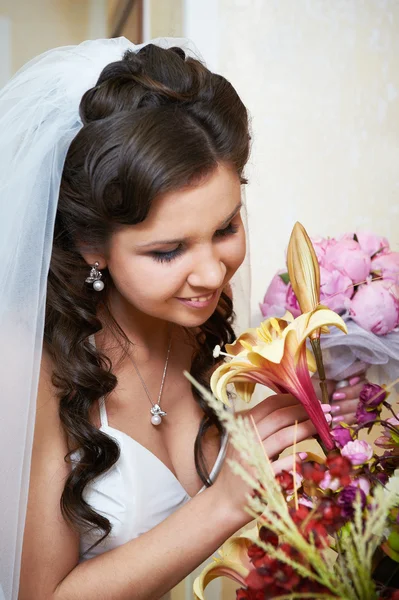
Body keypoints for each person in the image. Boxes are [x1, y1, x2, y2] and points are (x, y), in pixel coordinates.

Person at [0, 37, 366, 600]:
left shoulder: (201, 323)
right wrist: (223, 504)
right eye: (168, 251)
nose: (211, 275)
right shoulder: (29, 365)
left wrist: (303, 418)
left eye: (225, 229)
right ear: (91, 244)